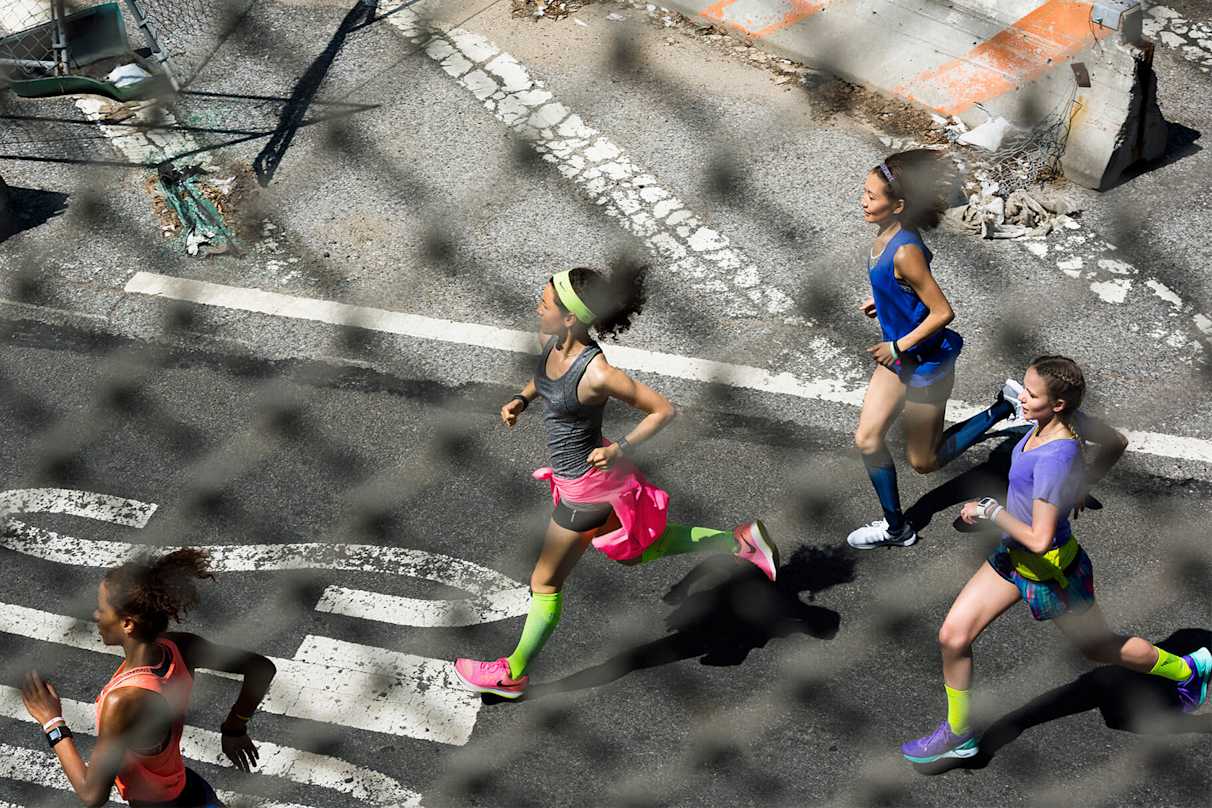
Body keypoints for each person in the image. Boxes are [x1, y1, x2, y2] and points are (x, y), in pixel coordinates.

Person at [452, 265, 779, 700]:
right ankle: (738, 543)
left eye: (545, 303)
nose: (538, 307)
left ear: (570, 317)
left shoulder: (598, 373)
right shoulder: (552, 343)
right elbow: (543, 376)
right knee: (637, 552)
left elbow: (663, 410)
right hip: (579, 480)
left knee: (545, 582)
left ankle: (512, 672)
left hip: (586, 489)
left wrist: (620, 448)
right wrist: (521, 399)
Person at [901, 356, 1212, 764]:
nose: (1022, 398)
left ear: (1058, 403)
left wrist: (989, 510)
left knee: (1100, 648)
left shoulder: (1054, 458)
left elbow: (1040, 538)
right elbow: (1116, 442)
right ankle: (960, 733)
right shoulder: (1065, 421)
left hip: (1052, 574)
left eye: (1031, 395)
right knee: (953, 637)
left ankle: (1188, 670)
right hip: (1010, 559)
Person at [848, 149, 1024, 550]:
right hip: (898, 359)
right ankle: (897, 528)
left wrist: (897, 344)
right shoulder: (886, 235)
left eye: (872, 196)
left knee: (924, 462)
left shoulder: (905, 250)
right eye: (865, 192)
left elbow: (943, 311)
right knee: (867, 440)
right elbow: (905, 290)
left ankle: (1004, 407)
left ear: (899, 205)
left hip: (926, 362)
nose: (863, 201)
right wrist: (884, 302)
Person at [21, 549, 277, 807]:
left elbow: (92, 795)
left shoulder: (123, 701)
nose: (96, 616)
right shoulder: (180, 648)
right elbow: (261, 668)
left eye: (102, 609)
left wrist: (52, 721)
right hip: (189, 790)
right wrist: (234, 727)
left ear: (127, 623)